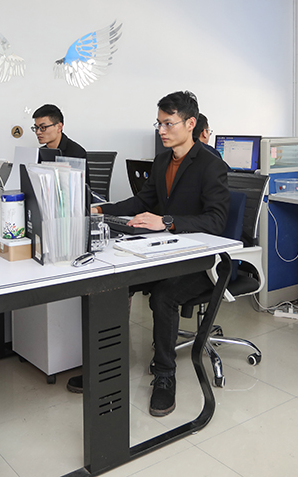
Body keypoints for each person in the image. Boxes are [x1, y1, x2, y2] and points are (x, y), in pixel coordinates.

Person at [93, 91, 230, 416]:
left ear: (191, 124)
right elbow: (142, 202)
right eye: (159, 124)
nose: (162, 130)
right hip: (168, 253)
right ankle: (106, 366)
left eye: (169, 123)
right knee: (115, 282)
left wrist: (167, 221)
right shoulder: (162, 162)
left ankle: (165, 375)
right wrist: (102, 210)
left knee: (164, 295)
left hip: (202, 260)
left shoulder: (211, 165)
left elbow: (216, 221)